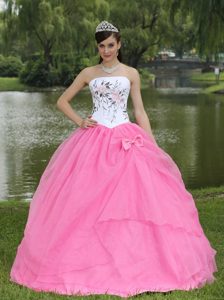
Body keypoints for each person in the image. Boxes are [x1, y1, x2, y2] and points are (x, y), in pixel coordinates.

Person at [10, 20, 217, 298]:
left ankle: (136, 260)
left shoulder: (131, 73)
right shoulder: (88, 72)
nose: (106, 50)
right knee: (85, 201)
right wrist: (80, 121)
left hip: (125, 136)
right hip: (94, 139)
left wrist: (152, 145)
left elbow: (140, 111)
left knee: (135, 201)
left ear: (119, 44)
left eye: (110, 45)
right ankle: (82, 260)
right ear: (98, 47)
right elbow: (62, 101)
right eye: (101, 46)